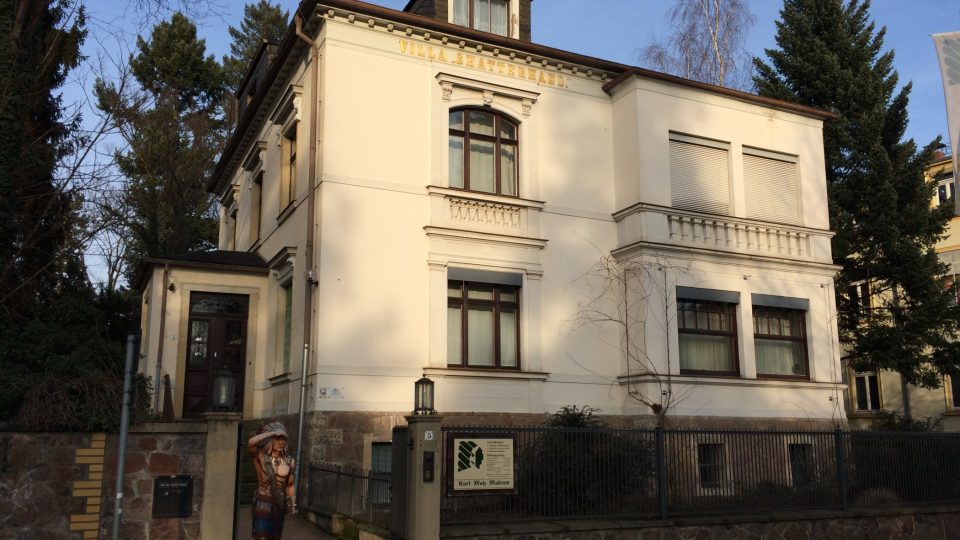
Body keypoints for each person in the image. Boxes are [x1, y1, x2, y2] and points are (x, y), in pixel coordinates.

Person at [248, 421, 296, 539]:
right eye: (277, 438)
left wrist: (291, 504)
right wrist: (272, 433)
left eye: (283, 439)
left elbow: (290, 485)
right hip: (263, 502)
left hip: (278, 504)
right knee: (261, 537)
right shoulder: (261, 457)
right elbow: (251, 443)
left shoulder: (289, 461)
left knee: (275, 537)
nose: (281, 442)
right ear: (271, 440)